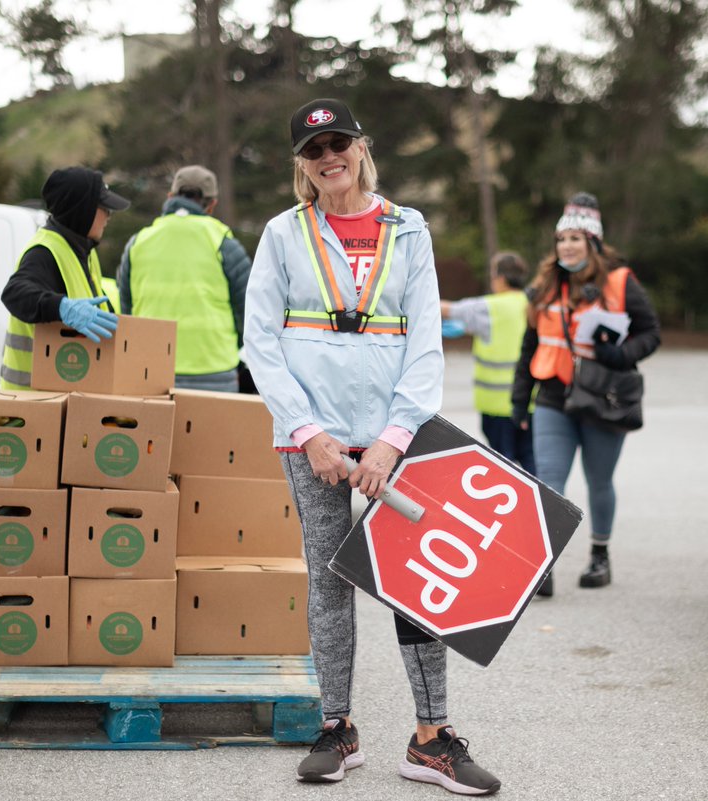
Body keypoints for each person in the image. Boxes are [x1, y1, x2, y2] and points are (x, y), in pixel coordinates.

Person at [244, 97, 500, 796]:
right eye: (314, 148)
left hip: (396, 440)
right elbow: (259, 344)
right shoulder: (284, 232)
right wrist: (310, 435)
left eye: (338, 143)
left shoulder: (407, 228)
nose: (329, 157)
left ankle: (431, 739)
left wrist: (391, 440)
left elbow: (424, 341)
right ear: (302, 163)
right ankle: (338, 726)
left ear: (360, 147)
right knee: (328, 585)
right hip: (313, 442)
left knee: (417, 581)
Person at [511, 192, 661, 596]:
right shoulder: (544, 287)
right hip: (553, 399)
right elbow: (530, 346)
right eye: (562, 239)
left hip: (601, 397)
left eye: (576, 238)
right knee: (548, 483)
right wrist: (518, 400)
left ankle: (600, 555)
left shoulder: (620, 282)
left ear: (593, 243)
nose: (567, 246)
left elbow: (651, 333)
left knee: (599, 481)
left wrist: (620, 353)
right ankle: (542, 566)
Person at [117, 165, 252, 392]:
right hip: (214, 371)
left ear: (170, 197)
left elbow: (127, 309)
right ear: (212, 204)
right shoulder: (224, 243)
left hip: (150, 371)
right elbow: (248, 311)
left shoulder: (138, 242)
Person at [0, 166, 128, 390]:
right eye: (103, 207)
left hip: (60, 395)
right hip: (31, 402)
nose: (109, 215)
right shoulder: (44, 251)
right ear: (83, 210)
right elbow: (14, 293)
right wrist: (62, 307)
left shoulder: (84, 252)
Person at [441, 251, 536, 473]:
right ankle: (544, 507)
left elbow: (445, 309)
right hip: (532, 403)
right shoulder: (532, 303)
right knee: (533, 464)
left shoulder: (488, 307)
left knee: (505, 468)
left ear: (501, 277)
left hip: (497, 407)